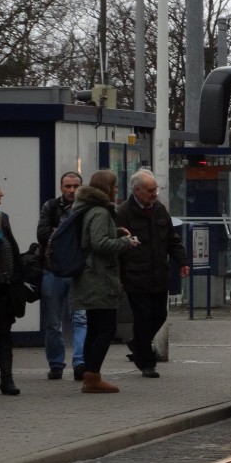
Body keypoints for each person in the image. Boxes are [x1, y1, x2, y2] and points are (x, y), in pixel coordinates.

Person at [115, 169, 189, 377]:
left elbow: (172, 239)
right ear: (137, 190)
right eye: (150, 190)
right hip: (135, 275)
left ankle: (137, 343)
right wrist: (120, 278)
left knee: (160, 315)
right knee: (142, 317)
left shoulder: (159, 209)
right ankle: (146, 362)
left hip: (158, 275)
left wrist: (182, 261)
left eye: (155, 189)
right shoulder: (123, 213)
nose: (154, 194)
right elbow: (117, 250)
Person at [72, 169, 137, 394]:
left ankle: (90, 375)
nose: (118, 190)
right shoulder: (99, 211)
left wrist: (116, 232)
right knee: (106, 329)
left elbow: (93, 238)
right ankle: (92, 376)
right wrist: (125, 243)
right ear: (106, 188)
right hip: (99, 278)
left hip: (89, 277)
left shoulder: (87, 208)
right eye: (115, 186)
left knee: (94, 327)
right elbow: (100, 244)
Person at [38, 171, 88, 381]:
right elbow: (41, 234)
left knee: (80, 318)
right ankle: (56, 364)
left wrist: (58, 232)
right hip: (54, 269)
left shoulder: (85, 209)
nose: (71, 190)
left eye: (76, 186)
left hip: (78, 271)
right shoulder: (50, 207)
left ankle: (80, 362)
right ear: (61, 188)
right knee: (52, 321)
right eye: (68, 186)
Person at [0, 182, 28, 396]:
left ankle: (7, 380)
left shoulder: (2, 218)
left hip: (3, 288)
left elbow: (11, 249)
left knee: (3, 334)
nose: (2, 193)